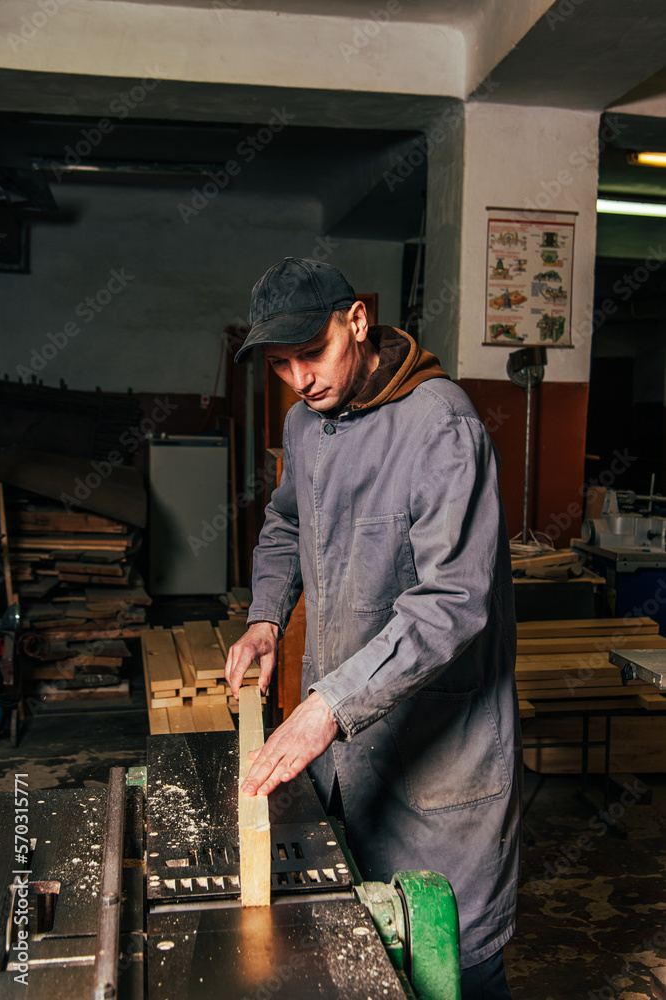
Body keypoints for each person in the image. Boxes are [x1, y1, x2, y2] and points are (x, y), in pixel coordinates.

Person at [225, 256, 521, 1000]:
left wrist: (327, 705)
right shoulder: (303, 423)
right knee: (360, 957)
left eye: (311, 354)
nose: (299, 379)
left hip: (438, 760)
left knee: (453, 961)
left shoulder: (440, 425)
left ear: (356, 322)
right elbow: (285, 526)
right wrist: (265, 616)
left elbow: (452, 600)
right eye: (281, 364)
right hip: (345, 754)